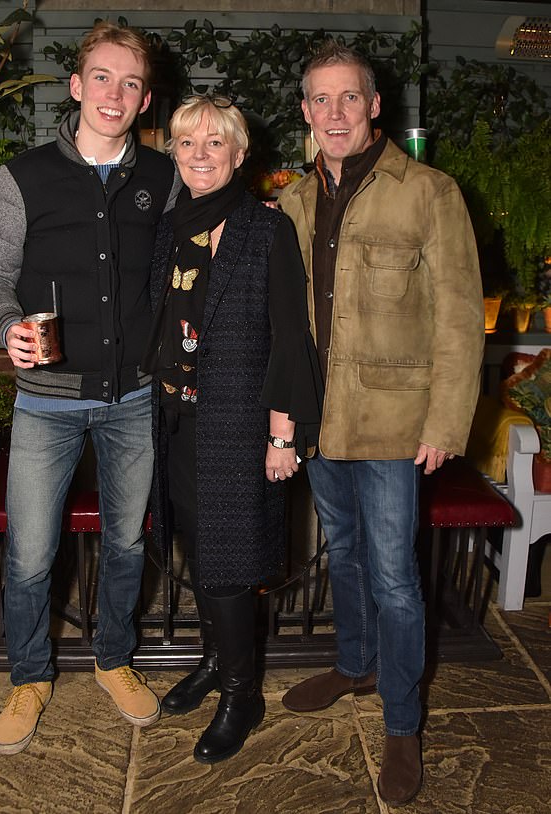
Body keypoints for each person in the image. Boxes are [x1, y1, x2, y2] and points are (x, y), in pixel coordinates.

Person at [278, 41, 484, 806]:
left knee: (397, 577)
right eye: (319, 101)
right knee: (347, 554)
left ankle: (403, 720)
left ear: (373, 107)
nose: (334, 114)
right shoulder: (296, 201)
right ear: (305, 113)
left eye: (348, 99)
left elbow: (462, 318)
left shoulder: (429, 191)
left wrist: (445, 422)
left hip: (400, 424)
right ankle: (355, 662)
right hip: (324, 423)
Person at [0, 22, 177, 755]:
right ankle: (30, 675)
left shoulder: (163, 176)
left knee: (124, 542)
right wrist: (6, 327)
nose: (113, 93)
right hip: (47, 401)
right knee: (30, 551)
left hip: (134, 398)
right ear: (76, 84)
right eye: (102, 77)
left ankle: (114, 658)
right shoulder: (23, 175)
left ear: (144, 97)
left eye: (129, 82)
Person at [142, 95, 322, 764]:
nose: (200, 155)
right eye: (189, 143)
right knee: (196, 548)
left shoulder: (264, 230)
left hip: (241, 424)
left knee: (230, 564)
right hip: (175, 419)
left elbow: (288, 334)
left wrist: (283, 435)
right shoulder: (170, 228)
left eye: (215, 144)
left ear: (241, 156)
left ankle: (242, 692)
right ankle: (218, 661)